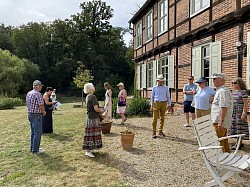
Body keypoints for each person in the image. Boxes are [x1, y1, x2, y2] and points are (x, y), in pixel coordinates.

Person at [210, 73, 233, 153]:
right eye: (213, 79)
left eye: (215, 79)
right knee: (224, 140)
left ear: (222, 80)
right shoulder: (220, 90)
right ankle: (228, 156)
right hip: (220, 120)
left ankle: (221, 159)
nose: (213, 81)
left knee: (219, 142)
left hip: (219, 121)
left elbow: (224, 106)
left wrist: (221, 121)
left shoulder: (223, 91)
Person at [228, 77, 249, 150]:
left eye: (235, 83)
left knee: (240, 127)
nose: (233, 84)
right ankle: (240, 142)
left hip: (239, 111)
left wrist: (244, 113)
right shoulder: (232, 92)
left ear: (240, 83)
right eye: (232, 83)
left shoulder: (243, 92)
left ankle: (238, 144)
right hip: (233, 112)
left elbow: (246, 103)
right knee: (235, 127)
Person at [83, 83, 102, 158]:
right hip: (93, 118)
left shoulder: (88, 96)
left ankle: (91, 149)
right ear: (91, 88)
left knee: (91, 133)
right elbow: (96, 109)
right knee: (92, 133)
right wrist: (102, 111)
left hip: (90, 118)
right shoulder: (93, 97)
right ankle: (88, 151)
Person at [26, 80, 46, 154]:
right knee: (38, 132)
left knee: (33, 132)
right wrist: (43, 112)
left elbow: (27, 104)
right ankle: (35, 150)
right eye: (40, 86)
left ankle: (33, 147)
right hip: (36, 114)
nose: (41, 87)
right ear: (38, 86)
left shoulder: (29, 93)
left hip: (30, 113)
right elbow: (41, 104)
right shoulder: (37, 94)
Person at [151, 74, 172, 138]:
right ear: (157, 81)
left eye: (162, 81)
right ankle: (154, 132)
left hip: (163, 103)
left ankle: (160, 131)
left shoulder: (166, 88)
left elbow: (168, 96)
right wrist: (151, 104)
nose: (161, 82)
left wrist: (169, 105)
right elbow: (152, 97)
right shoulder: (154, 88)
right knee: (155, 118)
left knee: (162, 118)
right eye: (159, 81)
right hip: (156, 103)